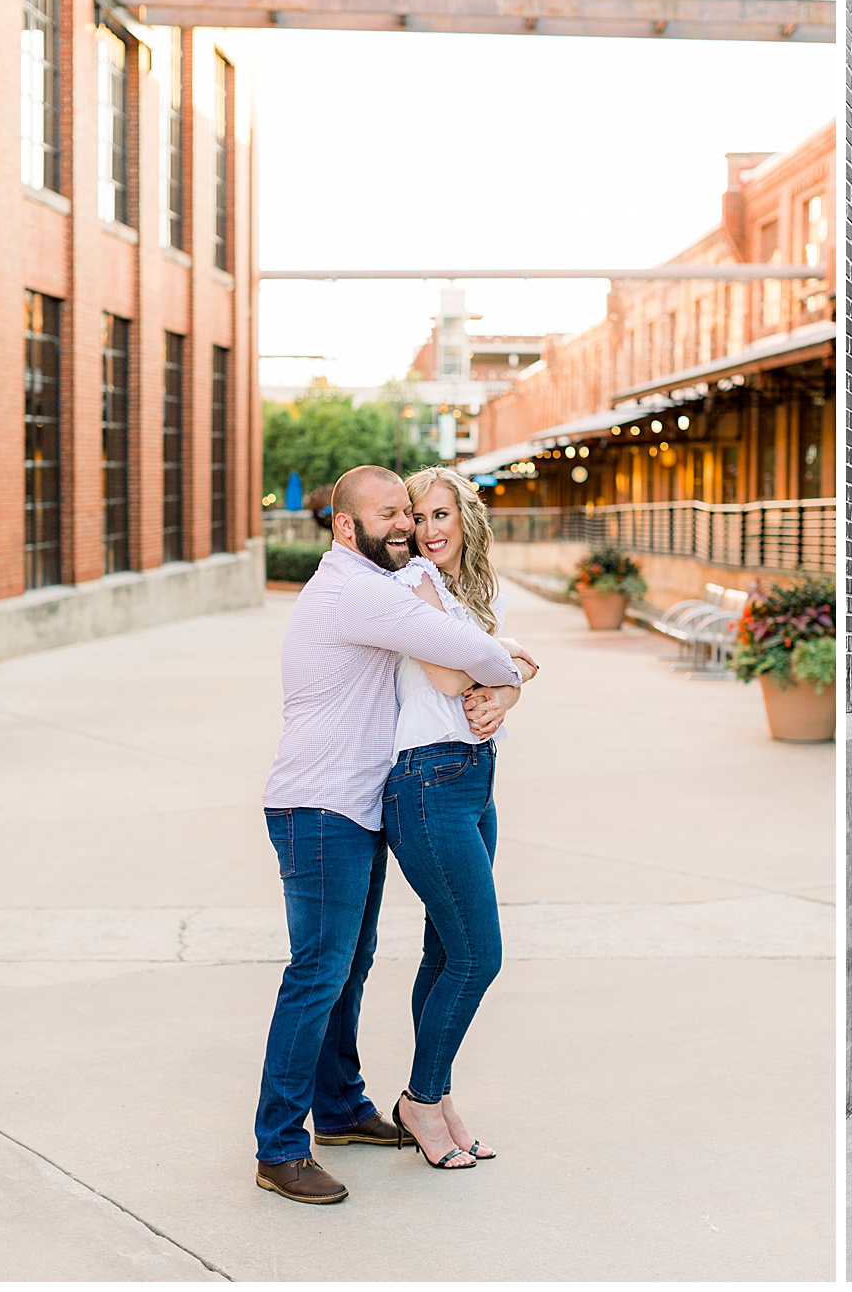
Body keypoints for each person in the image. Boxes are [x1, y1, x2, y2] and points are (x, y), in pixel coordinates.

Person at [254, 464, 531, 1204]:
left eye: (408, 512)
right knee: (318, 971)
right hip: (318, 805)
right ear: (345, 527)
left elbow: (461, 652)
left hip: (356, 802)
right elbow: (462, 653)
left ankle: (341, 1110)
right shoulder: (358, 590)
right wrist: (517, 671)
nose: (406, 524)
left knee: (348, 965)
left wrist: (500, 681)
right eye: (390, 514)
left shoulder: (378, 583)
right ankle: (280, 1146)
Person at [379, 466, 526, 1170]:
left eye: (442, 515)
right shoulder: (409, 586)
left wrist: (506, 690)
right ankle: (420, 1099)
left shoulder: (460, 595)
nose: (430, 530)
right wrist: (510, 673)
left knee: (446, 953)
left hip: (474, 779)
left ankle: (436, 1103)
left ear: (464, 517)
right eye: (419, 517)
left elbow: (495, 684)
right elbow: (446, 676)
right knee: (478, 955)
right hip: (428, 782)